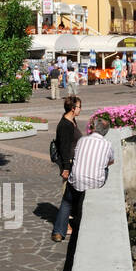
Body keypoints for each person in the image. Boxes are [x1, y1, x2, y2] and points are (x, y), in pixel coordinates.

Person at [52, 116, 115, 243]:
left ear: (94, 128)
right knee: (105, 169)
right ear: (106, 132)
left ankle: (58, 232)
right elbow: (111, 162)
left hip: (76, 180)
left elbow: (77, 155)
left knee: (66, 201)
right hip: (95, 182)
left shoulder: (82, 140)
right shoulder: (107, 145)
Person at [51, 96, 84, 241]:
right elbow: (64, 148)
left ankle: (68, 225)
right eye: (79, 107)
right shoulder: (65, 125)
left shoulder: (71, 121)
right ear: (72, 108)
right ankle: (61, 229)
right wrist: (66, 168)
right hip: (68, 164)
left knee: (71, 196)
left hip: (73, 163)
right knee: (67, 197)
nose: (80, 109)